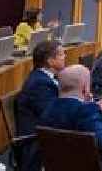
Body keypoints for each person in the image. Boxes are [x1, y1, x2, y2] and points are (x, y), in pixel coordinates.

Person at [16, 40, 66, 171]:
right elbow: (53, 117)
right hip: (37, 143)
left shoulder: (45, 78)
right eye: (61, 54)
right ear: (50, 61)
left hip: (47, 134)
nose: (65, 56)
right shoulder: (40, 84)